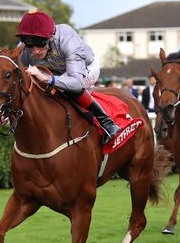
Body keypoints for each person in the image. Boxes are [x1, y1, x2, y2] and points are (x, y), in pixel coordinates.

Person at [17, 9, 120, 143]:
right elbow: (18, 75)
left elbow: (75, 82)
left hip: (84, 68)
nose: (36, 51)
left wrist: (48, 79)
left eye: (41, 44)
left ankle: (107, 122)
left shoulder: (67, 37)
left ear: (51, 37)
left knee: (66, 88)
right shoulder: (23, 48)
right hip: (55, 71)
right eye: (30, 45)